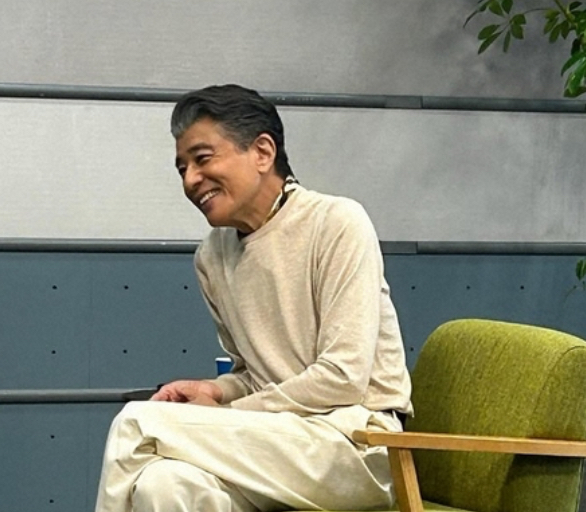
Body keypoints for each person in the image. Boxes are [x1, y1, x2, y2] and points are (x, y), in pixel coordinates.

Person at [94, 84, 412, 512]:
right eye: (182, 168)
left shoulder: (337, 222)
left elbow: (342, 378)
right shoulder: (213, 256)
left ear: (262, 152)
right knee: (164, 484)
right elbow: (258, 376)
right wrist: (216, 391)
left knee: (138, 423)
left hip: (358, 446)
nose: (190, 180)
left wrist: (228, 414)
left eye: (202, 159)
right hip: (271, 442)